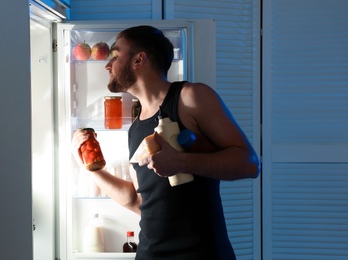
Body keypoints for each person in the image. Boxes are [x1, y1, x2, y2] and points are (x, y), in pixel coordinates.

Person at [72, 25, 260, 260]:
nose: (108, 65)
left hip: (200, 253)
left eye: (116, 55)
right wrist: (87, 168)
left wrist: (181, 161)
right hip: (150, 253)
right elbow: (137, 200)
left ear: (139, 59)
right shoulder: (135, 129)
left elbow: (250, 164)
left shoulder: (191, 97)